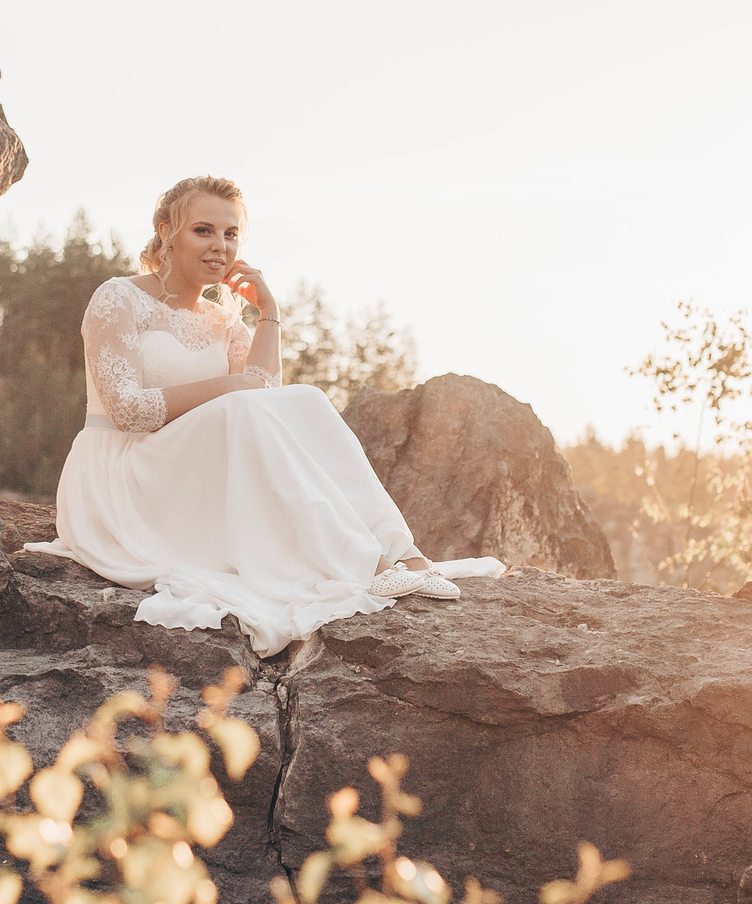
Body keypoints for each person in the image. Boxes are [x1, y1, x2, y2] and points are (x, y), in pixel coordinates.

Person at [24, 174, 474, 655]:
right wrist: (226, 387)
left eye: (231, 233)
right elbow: (128, 409)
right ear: (165, 231)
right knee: (241, 406)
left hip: (189, 469)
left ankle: (405, 554)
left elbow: (268, 400)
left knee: (307, 400)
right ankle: (367, 566)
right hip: (122, 473)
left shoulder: (222, 317)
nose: (220, 246)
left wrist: (269, 313)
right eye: (203, 230)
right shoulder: (117, 298)